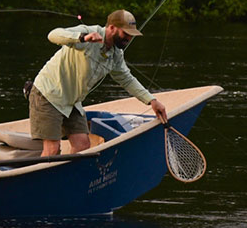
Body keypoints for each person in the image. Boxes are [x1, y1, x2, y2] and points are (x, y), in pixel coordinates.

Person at [28, 9, 168, 156]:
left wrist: (152, 101)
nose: (128, 38)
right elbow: (53, 35)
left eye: (131, 35)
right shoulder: (88, 32)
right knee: (52, 149)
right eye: (125, 34)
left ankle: (68, 176)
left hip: (72, 103)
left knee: (83, 145)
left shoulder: (116, 54)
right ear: (112, 28)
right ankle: (46, 178)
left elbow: (127, 79)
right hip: (49, 94)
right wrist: (82, 38)